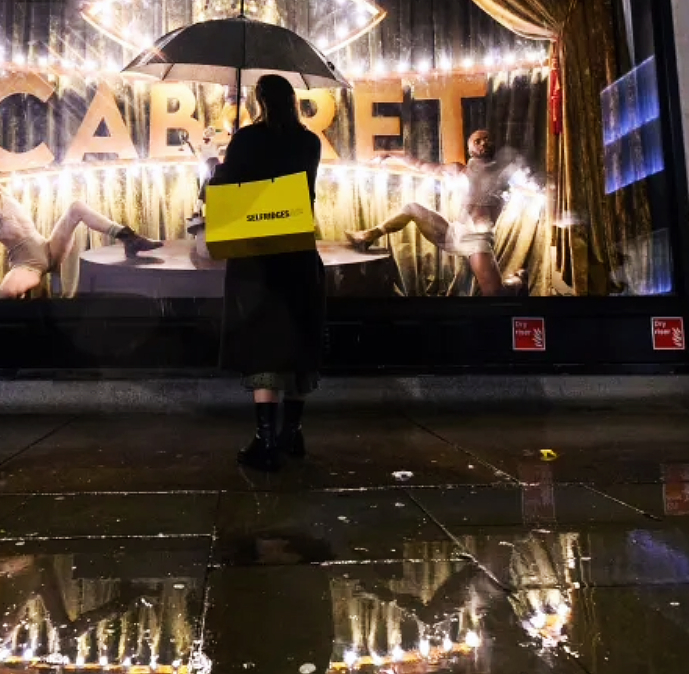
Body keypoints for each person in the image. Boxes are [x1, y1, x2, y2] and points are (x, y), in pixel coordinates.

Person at [207, 74, 325, 472]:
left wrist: (218, 167)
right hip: (298, 250)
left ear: (259, 100)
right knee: (298, 339)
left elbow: (226, 188)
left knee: (263, 342)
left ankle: (265, 440)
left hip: (256, 253)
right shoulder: (310, 141)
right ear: (292, 100)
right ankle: (292, 433)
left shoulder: (246, 139)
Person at [0, 148, 161, 299]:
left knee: (76, 207)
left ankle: (128, 237)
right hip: (27, 263)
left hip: (49, 248)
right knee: (6, 293)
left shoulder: (4, 193)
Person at [344, 129, 528, 296]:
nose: (483, 143)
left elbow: (528, 180)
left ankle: (518, 280)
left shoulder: (505, 173)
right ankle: (369, 236)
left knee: (495, 295)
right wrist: (391, 154)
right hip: (454, 233)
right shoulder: (459, 170)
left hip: (477, 240)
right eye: (477, 140)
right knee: (412, 208)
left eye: (487, 140)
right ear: (470, 147)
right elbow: (420, 165)